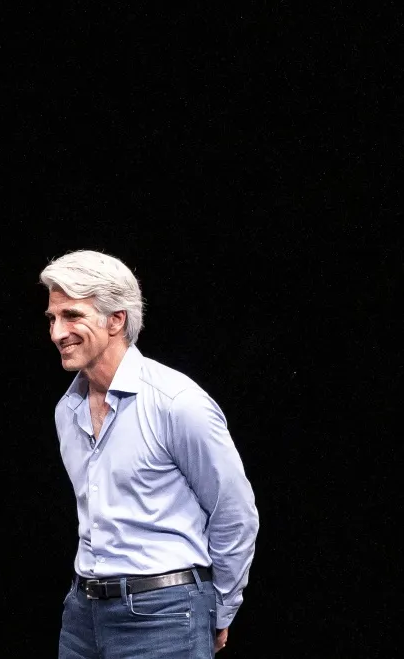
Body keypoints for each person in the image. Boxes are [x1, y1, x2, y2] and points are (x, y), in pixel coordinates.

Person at [43, 250, 259, 659]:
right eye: (52, 319)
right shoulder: (66, 410)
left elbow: (235, 513)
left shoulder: (177, 403)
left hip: (164, 614)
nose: (57, 332)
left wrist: (221, 608)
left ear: (116, 319)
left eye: (72, 315)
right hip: (83, 615)